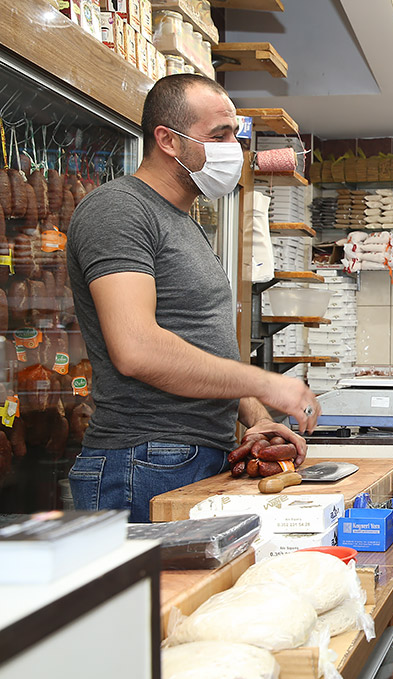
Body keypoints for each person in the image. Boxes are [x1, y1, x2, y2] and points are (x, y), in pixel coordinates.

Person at [66, 74, 322, 523]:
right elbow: (137, 349)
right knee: (156, 597)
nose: (234, 150)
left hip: (191, 455)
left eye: (234, 136)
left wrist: (254, 417)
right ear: (166, 139)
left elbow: (202, 342)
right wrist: (265, 383)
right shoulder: (119, 209)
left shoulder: (185, 223)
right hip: (143, 460)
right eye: (218, 136)